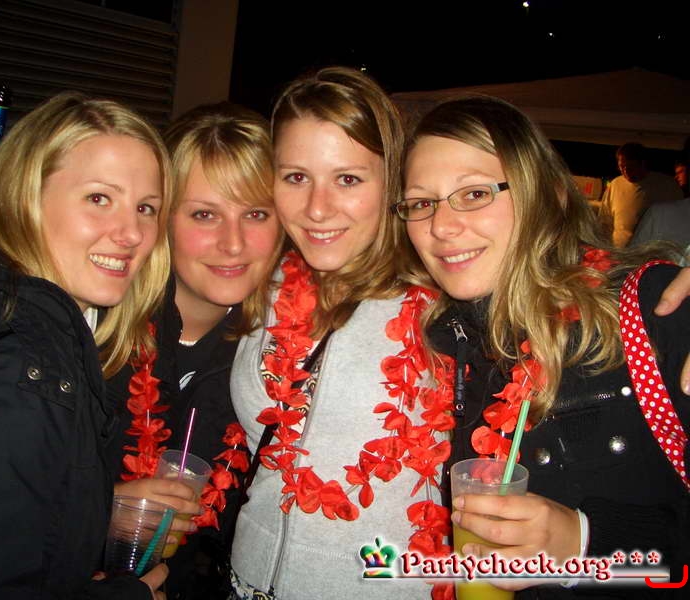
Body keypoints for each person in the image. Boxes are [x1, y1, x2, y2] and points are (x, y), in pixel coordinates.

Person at [0, 92, 181, 599]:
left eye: (146, 208)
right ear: (26, 196)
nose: (132, 233)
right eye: (99, 198)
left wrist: (91, 511)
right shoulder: (17, 368)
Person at [398, 94, 690, 598]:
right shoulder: (441, 346)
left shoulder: (653, 310)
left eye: (474, 193)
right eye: (422, 203)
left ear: (549, 196)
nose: (440, 227)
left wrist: (586, 541)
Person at [228, 67, 447, 600]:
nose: (317, 209)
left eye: (347, 179)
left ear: (392, 181)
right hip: (243, 583)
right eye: (295, 177)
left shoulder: (444, 304)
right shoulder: (260, 284)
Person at [105, 102, 284, 600]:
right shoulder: (96, 324)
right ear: (161, 217)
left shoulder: (283, 354)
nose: (233, 243)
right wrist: (98, 508)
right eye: (205, 214)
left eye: (255, 214)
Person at [599, 142, 683, 247]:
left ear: (642, 163)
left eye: (631, 166)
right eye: (622, 166)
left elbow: (677, 221)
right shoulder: (615, 185)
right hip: (619, 252)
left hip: (651, 252)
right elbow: (605, 221)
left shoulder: (667, 185)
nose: (626, 171)